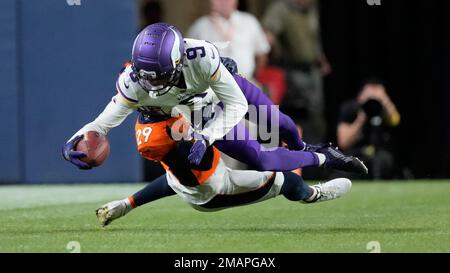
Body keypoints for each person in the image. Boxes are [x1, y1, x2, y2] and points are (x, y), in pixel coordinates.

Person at [62, 22, 368, 175]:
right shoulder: (134, 83)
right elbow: (102, 125)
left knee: (281, 125)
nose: (152, 83)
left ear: (179, 60)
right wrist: (72, 146)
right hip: (200, 114)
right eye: (147, 75)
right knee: (260, 159)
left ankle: (303, 147)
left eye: (159, 74)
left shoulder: (201, 58)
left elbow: (235, 104)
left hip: (224, 92)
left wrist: (205, 138)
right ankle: (325, 158)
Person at [95, 115, 352, 227]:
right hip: (212, 189)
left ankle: (126, 204)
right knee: (286, 182)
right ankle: (314, 193)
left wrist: (128, 203)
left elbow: (171, 181)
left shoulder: (157, 110)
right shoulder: (162, 136)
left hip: (190, 176)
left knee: (178, 178)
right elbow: (187, 174)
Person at [262, 0, 331, 143]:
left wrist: (320, 57)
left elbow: (312, 37)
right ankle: (294, 152)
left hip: (313, 70)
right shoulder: (281, 8)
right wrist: (271, 51)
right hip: (292, 70)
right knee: (294, 115)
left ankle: (316, 153)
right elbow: (267, 35)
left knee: (316, 116)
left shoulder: (311, 9)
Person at [188, 0, 270, 80]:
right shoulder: (200, 26)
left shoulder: (250, 22)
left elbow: (261, 54)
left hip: (246, 82)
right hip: (211, 86)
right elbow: (188, 60)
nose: (224, 2)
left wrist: (254, 76)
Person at [337, 79, 401, 179]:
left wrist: (384, 100)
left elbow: (395, 121)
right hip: (355, 153)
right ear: (360, 95)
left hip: (380, 154)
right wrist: (362, 116)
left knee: (383, 161)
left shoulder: (383, 109)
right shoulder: (350, 108)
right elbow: (343, 143)